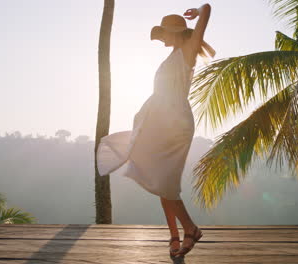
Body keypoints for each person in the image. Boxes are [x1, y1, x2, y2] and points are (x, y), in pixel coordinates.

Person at [95, 3, 214, 260]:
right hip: (159, 121)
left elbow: (208, 7)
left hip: (175, 123)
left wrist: (197, 11)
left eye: (164, 34)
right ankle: (174, 234)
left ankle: (191, 229)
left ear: (175, 32)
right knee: (160, 179)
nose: (161, 39)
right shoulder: (172, 55)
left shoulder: (189, 49)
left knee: (164, 181)